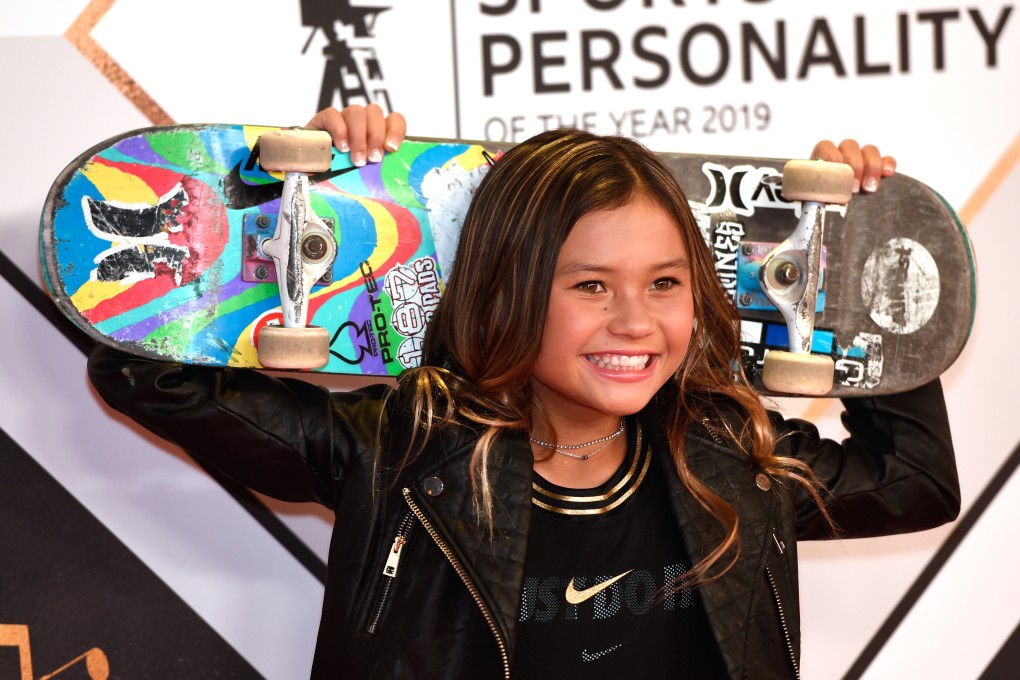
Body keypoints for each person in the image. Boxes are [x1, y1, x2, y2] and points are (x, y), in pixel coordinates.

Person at [88, 104, 957, 679]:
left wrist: (858, 269)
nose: (636, 323)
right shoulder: (404, 448)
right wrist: (281, 196)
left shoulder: (732, 452)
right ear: (506, 291)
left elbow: (916, 479)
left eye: (665, 283)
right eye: (588, 287)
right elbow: (146, 370)